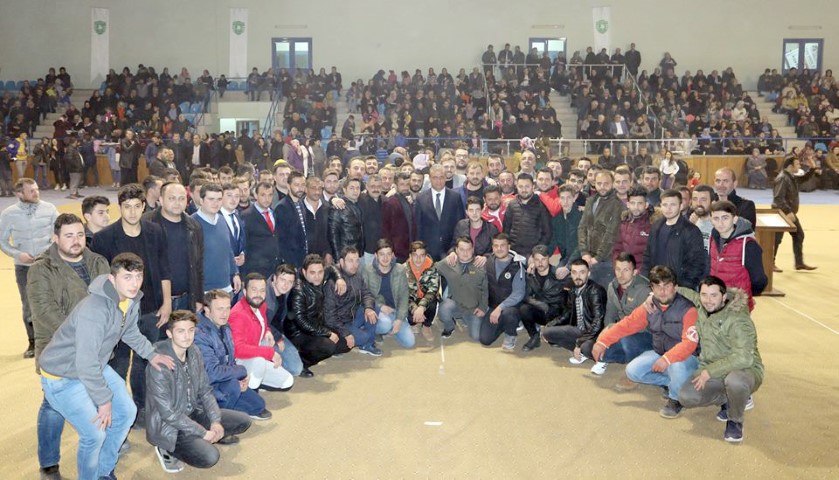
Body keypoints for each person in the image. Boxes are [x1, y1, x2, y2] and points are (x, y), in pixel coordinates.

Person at [38, 253, 175, 480]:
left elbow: (129, 331)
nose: (134, 283)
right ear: (112, 279)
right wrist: (103, 400)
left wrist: (151, 354)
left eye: (138, 276)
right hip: (62, 375)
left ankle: (103, 472)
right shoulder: (95, 309)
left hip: (94, 364)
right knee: (94, 434)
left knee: (126, 412)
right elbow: (85, 361)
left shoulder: (129, 300)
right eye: (127, 277)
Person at [28, 214, 109, 479]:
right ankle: (49, 463)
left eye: (80, 235)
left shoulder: (98, 261)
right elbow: (44, 311)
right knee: (53, 405)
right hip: (57, 349)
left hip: (94, 348)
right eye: (69, 236)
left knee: (93, 394)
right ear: (56, 238)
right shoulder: (41, 268)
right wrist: (84, 336)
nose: (76, 241)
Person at [92, 184, 173, 421]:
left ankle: (141, 406)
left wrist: (167, 302)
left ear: (143, 206)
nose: (132, 212)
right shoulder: (104, 238)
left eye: (137, 206)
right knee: (118, 364)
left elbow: (165, 269)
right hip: (119, 313)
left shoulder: (155, 232)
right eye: (127, 207)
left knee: (143, 361)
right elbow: (101, 280)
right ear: (120, 207)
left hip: (150, 309)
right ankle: (118, 410)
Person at [146, 310, 252, 473]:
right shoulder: (160, 365)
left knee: (243, 421)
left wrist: (215, 421)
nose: (187, 336)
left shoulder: (194, 351)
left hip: (193, 411)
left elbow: (205, 390)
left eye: (191, 330)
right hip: (169, 425)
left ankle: (206, 435)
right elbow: (168, 414)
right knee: (210, 457)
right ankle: (165, 448)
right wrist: (202, 432)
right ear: (169, 334)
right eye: (180, 331)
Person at [592, 265, 700, 419]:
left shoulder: (688, 309)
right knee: (632, 371)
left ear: (675, 287)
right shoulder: (649, 306)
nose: (662, 291)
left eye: (667, 286)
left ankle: (676, 399)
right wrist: (602, 341)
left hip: (686, 357)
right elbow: (627, 324)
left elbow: (689, 344)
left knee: (676, 366)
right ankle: (672, 383)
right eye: (657, 286)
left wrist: (666, 359)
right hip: (660, 351)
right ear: (652, 288)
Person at [677, 276, 764, 443]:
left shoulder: (738, 319)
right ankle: (729, 398)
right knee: (686, 396)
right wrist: (659, 293)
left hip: (745, 369)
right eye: (704, 295)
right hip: (712, 368)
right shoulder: (702, 305)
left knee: (735, 382)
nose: (708, 300)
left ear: (724, 297)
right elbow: (686, 292)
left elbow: (744, 358)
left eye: (713, 295)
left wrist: (709, 372)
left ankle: (735, 420)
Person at [0, 178, 57, 357]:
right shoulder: (8, 214)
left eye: (37, 189)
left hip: (48, 264)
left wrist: (51, 249)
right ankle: (33, 342)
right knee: (29, 305)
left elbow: (59, 233)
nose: (36, 193)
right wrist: (18, 254)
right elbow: (2, 241)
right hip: (24, 267)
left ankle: (56, 340)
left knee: (54, 301)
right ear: (20, 194)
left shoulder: (50, 209)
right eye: (31, 191)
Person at [194, 289, 270, 420]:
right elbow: (212, 373)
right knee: (233, 387)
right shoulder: (200, 334)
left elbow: (230, 359)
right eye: (220, 309)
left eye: (228, 308)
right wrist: (240, 372)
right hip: (204, 387)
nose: (225, 313)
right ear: (207, 310)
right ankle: (213, 420)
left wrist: (239, 379)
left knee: (259, 405)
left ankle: (228, 406)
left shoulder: (225, 326)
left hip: (223, 379)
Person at [228, 273, 294, 391]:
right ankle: (250, 389)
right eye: (254, 290)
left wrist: (267, 331)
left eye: (262, 290)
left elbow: (263, 323)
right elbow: (238, 349)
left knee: (288, 382)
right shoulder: (238, 315)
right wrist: (269, 353)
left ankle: (255, 380)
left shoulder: (261, 306)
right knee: (259, 361)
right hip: (239, 360)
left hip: (255, 352)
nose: (258, 295)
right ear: (244, 291)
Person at [285, 254, 351, 373]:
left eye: (320, 272)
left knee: (345, 344)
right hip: (298, 334)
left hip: (316, 326)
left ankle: (314, 349)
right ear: (304, 272)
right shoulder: (298, 290)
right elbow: (301, 322)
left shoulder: (319, 275)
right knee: (329, 346)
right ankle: (303, 361)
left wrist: (339, 278)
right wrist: (327, 333)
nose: (317, 276)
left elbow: (331, 268)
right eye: (312, 273)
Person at [145, 181, 204, 312]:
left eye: (181, 198)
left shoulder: (194, 227)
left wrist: (198, 299)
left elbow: (198, 265)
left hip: (186, 300)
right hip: (155, 302)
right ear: (161, 199)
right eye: (172, 198)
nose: (177, 202)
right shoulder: (146, 224)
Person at [599, 253, 653, 383]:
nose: (620, 274)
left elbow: (640, 324)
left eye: (626, 270)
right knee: (601, 353)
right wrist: (606, 335)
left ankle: (633, 372)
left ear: (635, 271)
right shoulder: (613, 286)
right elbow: (610, 314)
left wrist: (614, 330)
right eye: (618, 269)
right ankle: (639, 359)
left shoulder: (644, 290)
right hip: (623, 331)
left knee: (627, 341)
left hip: (645, 334)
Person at [542, 259, 606, 369]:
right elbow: (567, 313)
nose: (578, 276)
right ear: (571, 273)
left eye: (582, 272)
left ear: (588, 273)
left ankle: (601, 360)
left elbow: (598, 322)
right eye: (574, 272)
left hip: (596, 334)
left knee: (585, 347)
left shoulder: (595, 291)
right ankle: (582, 351)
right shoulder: (573, 290)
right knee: (547, 332)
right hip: (580, 330)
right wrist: (551, 324)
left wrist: (579, 343)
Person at [642, 189, 707, 290]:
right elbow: (647, 255)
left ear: (680, 206)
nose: (668, 208)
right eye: (665, 205)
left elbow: (696, 263)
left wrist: (684, 286)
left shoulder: (691, 231)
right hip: (655, 285)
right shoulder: (656, 227)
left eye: (673, 204)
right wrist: (645, 280)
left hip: (678, 288)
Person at [709, 200, 767, 311]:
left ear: (734, 219)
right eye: (716, 218)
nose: (720, 223)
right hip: (715, 303)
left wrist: (747, 295)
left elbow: (759, 280)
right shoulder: (713, 238)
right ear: (711, 220)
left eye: (725, 218)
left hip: (737, 306)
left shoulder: (748, 244)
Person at [324, 247, 380, 355]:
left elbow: (367, 294)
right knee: (363, 337)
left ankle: (367, 345)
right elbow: (329, 317)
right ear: (341, 262)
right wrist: (346, 333)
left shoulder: (358, 275)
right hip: (338, 323)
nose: (354, 265)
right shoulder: (332, 282)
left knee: (374, 308)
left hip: (351, 316)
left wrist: (368, 308)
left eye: (356, 261)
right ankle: (339, 342)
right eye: (350, 261)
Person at [362, 239, 415, 349]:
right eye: (381, 254)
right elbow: (364, 295)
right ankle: (378, 330)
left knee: (409, 342)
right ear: (376, 255)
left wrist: (399, 319)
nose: (385, 258)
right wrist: (380, 306)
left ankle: (391, 327)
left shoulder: (400, 270)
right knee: (385, 324)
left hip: (395, 311)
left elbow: (404, 297)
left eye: (388, 254)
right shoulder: (368, 270)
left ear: (392, 255)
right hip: (378, 311)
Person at [577, 170, 626, 287]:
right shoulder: (590, 201)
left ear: (612, 184)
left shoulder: (617, 205)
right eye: (599, 183)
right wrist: (584, 252)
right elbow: (582, 227)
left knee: (603, 296)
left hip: (605, 260)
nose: (602, 187)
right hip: (588, 257)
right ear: (594, 183)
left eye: (606, 184)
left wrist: (597, 258)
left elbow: (611, 234)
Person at [434, 236, 488, 340]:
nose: (465, 253)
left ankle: (466, 319)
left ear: (473, 250)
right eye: (462, 250)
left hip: (473, 308)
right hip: (455, 304)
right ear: (456, 250)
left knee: (476, 337)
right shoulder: (449, 262)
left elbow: (485, 290)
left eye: (468, 249)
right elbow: (430, 267)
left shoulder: (480, 265)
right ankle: (450, 326)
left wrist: (482, 307)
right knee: (444, 309)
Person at [192, 183, 241, 294]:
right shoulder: (192, 224)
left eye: (219, 199)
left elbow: (228, 250)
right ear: (201, 200)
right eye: (211, 199)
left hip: (226, 286)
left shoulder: (222, 220)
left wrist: (235, 273)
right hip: (204, 290)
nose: (215, 203)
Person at [772, 156, 817, 271]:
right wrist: (788, 211)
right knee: (776, 239)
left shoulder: (791, 177)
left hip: (788, 212)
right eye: (797, 164)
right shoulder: (783, 178)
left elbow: (804, 178)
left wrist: (812, 168)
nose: (800, 166)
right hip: (781, 213)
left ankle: (799, 262)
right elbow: (778, 198)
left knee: (798, 235)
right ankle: (770, 263)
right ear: (790, 166)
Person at [519, 245, 567, 352]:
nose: (540, 263)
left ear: (549, 258)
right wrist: (541, 305)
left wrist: (556, 319)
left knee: (553, 340)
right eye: (537, 259)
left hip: (556, 314)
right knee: (523, 308)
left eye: (543, 259)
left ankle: (552, 333)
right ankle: (534, 337)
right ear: (533, 260)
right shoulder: (531, 275)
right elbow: (526, 296)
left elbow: (565, 301)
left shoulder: (557, 274)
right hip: (542, 310)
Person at [264, 263, 307, 377]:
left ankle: (273, 367)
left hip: (278, 333)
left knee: (296, 369)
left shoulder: (285, 292)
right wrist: (278, 338)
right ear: (274, 278)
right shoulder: (263, 294)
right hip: (262, 335)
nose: (286, 285)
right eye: (283, 280)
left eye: (290, 282)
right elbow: (261, 323)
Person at [415, 164, 465, 260]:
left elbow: (460, 225)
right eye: (435, 177)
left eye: (441, 177)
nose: (438, 181)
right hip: (427, 251)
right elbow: (418, 226)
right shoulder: (421, 198)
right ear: (430, 178)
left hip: (450, 251)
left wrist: (455, 248)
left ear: (446, 178)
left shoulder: (455, 197)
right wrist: (420, 249)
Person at [502, 173, 552, 255]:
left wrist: (537, 252)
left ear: (533, 187)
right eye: (521, 186)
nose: (524, 190)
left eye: (527, 186)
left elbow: (547, 233)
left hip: (533, 253)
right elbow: (506, 229)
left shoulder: (541, 205)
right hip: (513, 252)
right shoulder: (512, 205)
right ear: (516, 187)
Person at [241, 181, 281, 278]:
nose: (267, 199)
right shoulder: (245, 216)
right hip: (255, 269)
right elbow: (243, 244)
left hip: (274, 267)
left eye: (270, 195)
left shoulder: (274, 213)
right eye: (263, 195)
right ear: (255, 195)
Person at [611, 186, 655, 273]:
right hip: (623, 271)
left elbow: (653, 255)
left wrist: (639, 271)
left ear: (646, 205)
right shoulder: (624, 222)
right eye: (633, 203)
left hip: (642, 274)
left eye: (640, 203)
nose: (636, 207)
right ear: (628, 204)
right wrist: (618, 266)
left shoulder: (652, 224)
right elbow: (617, 247)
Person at [405, 241, 440, 343]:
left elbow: (432, 290)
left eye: (421, 255)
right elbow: (404, 294)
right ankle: (414, 323)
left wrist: (421, 307)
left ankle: (426, 326)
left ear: (425, 256)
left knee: (433, 302)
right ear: (410, 256)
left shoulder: (432, 268)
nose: (418, 259)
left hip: (425, 300)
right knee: (404, 307)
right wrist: (415, 309)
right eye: (415, 255)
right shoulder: (403, 269)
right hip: (411, 300)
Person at [547, 185, 582, 280]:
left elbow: (581, 245)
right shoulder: (557, 219)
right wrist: (543, 257)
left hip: (581, 257)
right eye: (562, 198)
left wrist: (568, 267)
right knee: (553, 272)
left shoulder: (582, 217)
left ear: (574, 198)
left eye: (568, 198)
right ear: (558, 199)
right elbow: (553, 242)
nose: (565, 202)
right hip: (565, 258)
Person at [276, 171, 309, 267]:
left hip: (303, 257)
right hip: (291, 260)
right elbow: (282, 240)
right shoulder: (282, 207)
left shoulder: (301, 203)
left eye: (303, 185)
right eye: (296, 185)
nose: (300, 188)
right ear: (288, 185)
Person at [381, 172, 415, 262]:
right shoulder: (390, 203)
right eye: (402, 184)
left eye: (407, 184)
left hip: (409, 248)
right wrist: (390, 250)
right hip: (397, 250)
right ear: (395, 185)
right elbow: (386, 229)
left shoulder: (409, 200)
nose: (405, 187)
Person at [328, 177, 365, 260]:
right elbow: (333, 235)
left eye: (357, 188)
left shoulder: (359, 204)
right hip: (344, 255)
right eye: (352, 188)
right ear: (344, 190)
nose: (355, 191)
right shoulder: (338, 206)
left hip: (359, 253)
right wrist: (338, 259)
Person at [689, 185, 715, 252]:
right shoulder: (690, 222)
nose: (698, 203)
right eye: (695, 199)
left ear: (712, 202)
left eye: (703, 200)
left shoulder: (719, 225)